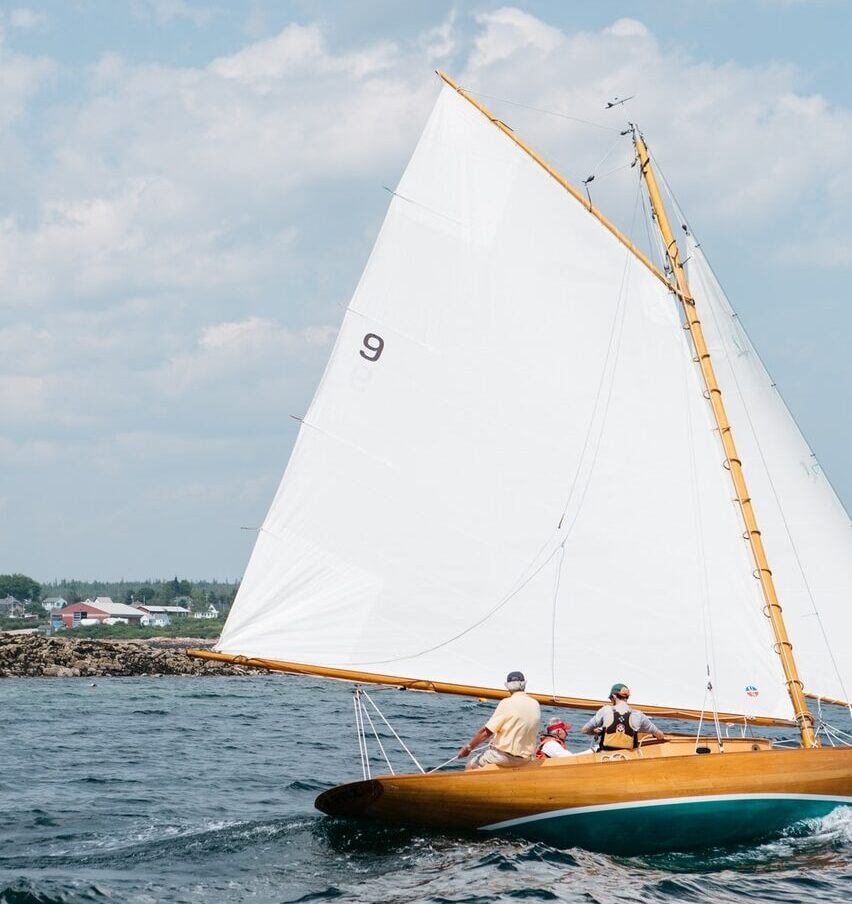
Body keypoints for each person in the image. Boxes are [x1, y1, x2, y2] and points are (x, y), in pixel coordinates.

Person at [457, 670, 540, 769]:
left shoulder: (506, 703)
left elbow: (485, 732)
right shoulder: (535, 704)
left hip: (504, 757)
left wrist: (468, 748)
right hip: (525, 759)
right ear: (524, 685)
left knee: (470, 766)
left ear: (508, 687)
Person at [581, 683, 665, 751]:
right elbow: (660, 735)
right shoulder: (638, 715)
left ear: (614, 696)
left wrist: (598, 732)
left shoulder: (605, 710)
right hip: (627, 759)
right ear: (627, 697)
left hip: (605, 757)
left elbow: (584, 730)